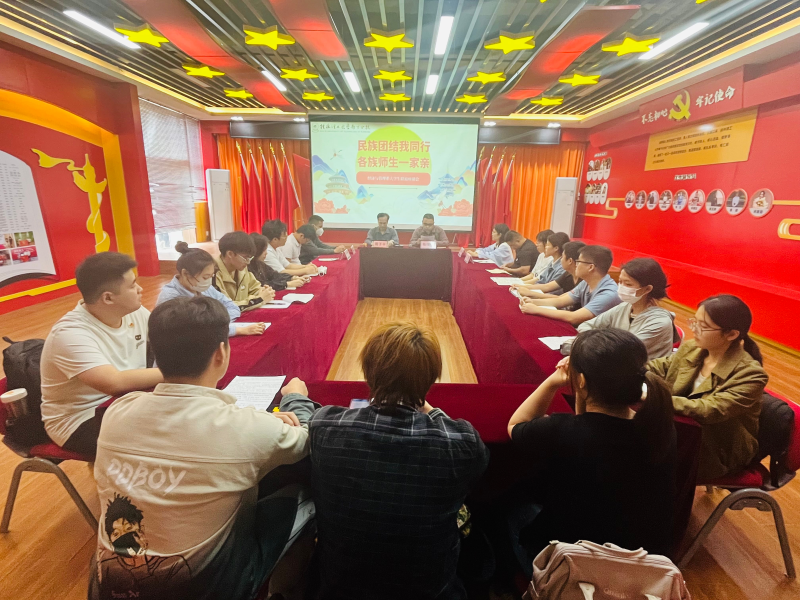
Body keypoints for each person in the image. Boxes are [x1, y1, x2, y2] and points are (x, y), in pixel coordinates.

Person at [90, 296, 315, 600]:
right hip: (209, 588)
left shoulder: (118, 411)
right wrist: (295, 398)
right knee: (306, 490)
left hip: (106, 588)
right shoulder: (246, 427)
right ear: (221, 353)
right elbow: (307, 439)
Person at [309, 322, 489, 599]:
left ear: (368, 371)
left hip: (340, 588)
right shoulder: (462, 443)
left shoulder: (325, 427)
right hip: (430, 592)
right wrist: (428, 407)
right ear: (431, 378)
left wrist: (294, 398)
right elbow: (477, 463)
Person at [507, 329, 677, 562]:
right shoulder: (660, 428)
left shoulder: (562, 430)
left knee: (511, 505)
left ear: (581, 381)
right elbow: (589, 423)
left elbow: (516, 426)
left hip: (571, 562)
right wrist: (582, 386)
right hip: (642, 562)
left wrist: (554, 381)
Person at [39, 252, 163, 456]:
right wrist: (181, 373)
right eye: (133, 285)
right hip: (80, 420)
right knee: (168, 434)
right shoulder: (69, 333)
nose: (140, 289)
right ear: (108, 298)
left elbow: (168, 339)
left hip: (127, 400)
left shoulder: (136, 313)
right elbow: (113, 382)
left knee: (184, 413)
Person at [648, 295, 768, 480]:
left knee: (640, 458)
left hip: (719, 449)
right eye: (695, 322)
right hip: (683, 431)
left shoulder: (751, 374)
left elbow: (709, 409)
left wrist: (655, 398)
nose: (694, 329)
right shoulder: (692, 349)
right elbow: (658, 367)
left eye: (703, 326)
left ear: (731, 334)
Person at [157, 242, 267, 336]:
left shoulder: (204, 287)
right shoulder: (170, 298)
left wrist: (212, 322)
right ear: (185, 274)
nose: (209, 281)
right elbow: (195, 332)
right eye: (205, 277)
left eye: (211, 276)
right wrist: (236, 330)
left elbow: (232, 307)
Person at [577, 258, 674, 360]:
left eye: (628, 284)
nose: (621, 287)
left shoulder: (660, 322)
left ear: (647, 289)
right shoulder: (624, 307)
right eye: (620, 282)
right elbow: (585, 325)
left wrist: (594, 339)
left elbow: (622, 351)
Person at [520, 245, 620, 326]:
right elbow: (560, 300)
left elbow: (574, 317)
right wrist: (533, 302)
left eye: (579, 261)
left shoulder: (608, 294)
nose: (576, 264)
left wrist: (536, 309)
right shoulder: (586, 282)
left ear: (590, 267)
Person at [212, 232, 275, 311]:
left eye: (250, 258)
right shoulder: (212, 273)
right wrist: (259, 299)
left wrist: (265, 292)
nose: (248, 262)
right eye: (245, 258)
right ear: (230, 254)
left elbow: (255, 289)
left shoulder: (240, 268)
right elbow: (225, 307)